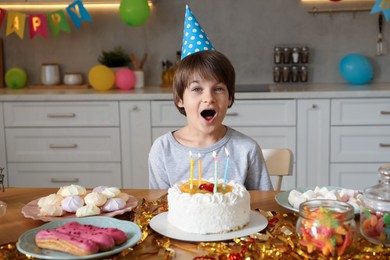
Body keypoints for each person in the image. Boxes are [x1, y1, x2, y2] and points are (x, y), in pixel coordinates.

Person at [148, 50, 273, 190]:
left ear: (230, 98)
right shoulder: (163, 150)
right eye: (197, 89)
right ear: (180, 99)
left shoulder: (247, 150)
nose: (209, 98)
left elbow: (264, 205)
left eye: (218, 89)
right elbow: (159, 207)